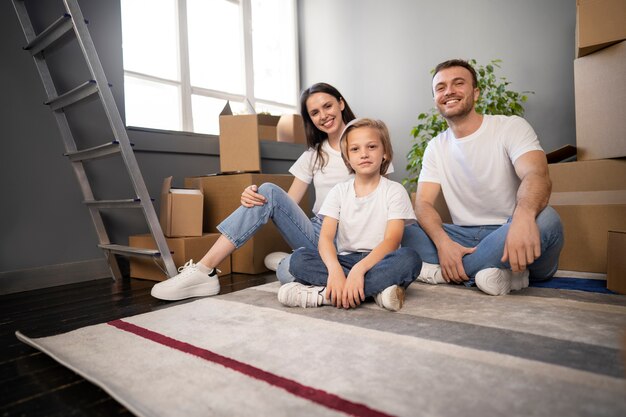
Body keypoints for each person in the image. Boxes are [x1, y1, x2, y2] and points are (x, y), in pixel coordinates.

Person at [151, 83, 392, 301]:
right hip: (321, 234)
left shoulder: (371, 145)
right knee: (267, 193)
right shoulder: (313, 155)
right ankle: (204, 270)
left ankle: (297, 266)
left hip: (359, 234)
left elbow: (383, 198)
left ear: (340, 103)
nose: (323, 115)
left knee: (286, 271)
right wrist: (254, 197)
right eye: (314, 112)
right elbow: (286, 203)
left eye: (327, 106)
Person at [402, 59, 564, 296]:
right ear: (436, 98)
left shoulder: (510, 127)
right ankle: (498, 274)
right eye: (441, 87)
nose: (449, 92)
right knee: (405, 230)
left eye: (458, 83)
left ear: (475, 93)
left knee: (548, 219)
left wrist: (523, 217)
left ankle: (443, 274)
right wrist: (444, 244)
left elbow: (536, 175)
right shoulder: (435, 147)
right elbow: (424, 204)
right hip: (463, 236)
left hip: (510, 230)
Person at [278, 118, 421, 311]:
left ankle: (323, 296)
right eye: (355, 149)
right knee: (298, 260)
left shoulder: (395, 191)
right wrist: (335, 270)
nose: (364, 154)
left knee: (410, 259)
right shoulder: (338, 191)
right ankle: (375, 292)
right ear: (347, 158)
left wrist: (359, 270)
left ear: (385, 152)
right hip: (345, 259)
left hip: (380, 260)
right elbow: (326, 239)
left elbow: (392, 241)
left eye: (371, 146)